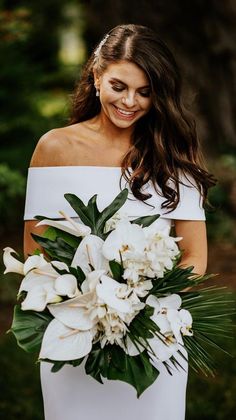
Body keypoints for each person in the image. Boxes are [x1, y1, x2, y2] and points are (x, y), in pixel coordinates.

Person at [23, 24, 215, 420]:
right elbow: (34, 251)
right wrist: (90, 305)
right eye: (119, 86)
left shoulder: (175, 152)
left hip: (154, 335)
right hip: (75, 330)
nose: (130, 102)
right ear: (96, 77)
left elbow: (195, 255)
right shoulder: (55, 147)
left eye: (145, 92)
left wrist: (139, 304)